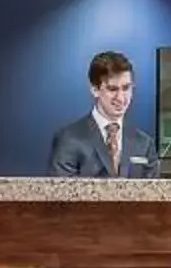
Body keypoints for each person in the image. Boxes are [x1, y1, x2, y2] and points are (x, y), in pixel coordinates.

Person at [48, 49, 154, 177]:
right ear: (94, 90)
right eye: (112, 89)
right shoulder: (69, 139)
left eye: (126, 88)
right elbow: (60, 194)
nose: (121, 98)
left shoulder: (144, 144)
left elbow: (155, 194)